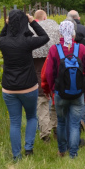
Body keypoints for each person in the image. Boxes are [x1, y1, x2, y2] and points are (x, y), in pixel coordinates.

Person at [0, 9, 49, 161]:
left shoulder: (3, 43)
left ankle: (16, 155)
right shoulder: (27, 42)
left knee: (15, 122)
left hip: (9, 88)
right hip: (28, 86)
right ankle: (29, 148)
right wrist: (33, 21)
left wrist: (6, 25)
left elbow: (1, 36)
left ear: (10, 23)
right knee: (32, 117)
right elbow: (44, 37)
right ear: (24, 23)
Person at [42, 20, 85, 159]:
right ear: (73, 33)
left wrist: (51, 89)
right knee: (75, 124)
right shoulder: (81, 48)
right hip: (77, 94)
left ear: (60, 33)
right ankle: (73, 154)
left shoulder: (54, 49)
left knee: (61, 122)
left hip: (60, 94)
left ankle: (62, 151)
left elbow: (48, 73)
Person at [31, 10, 60, 142]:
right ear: (45, 17)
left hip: (37, 69)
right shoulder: (53, 25)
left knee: (42, 100)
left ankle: (44, 132)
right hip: (54, 68)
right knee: (54, 98)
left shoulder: (30, 29)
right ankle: (56, 127)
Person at [67, 10, 85, 134]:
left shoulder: (65, 30)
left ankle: (71, 120)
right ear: (78, 17)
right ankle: (81, 120)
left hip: (68, 68)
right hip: (84, 67)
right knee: (83, 95)